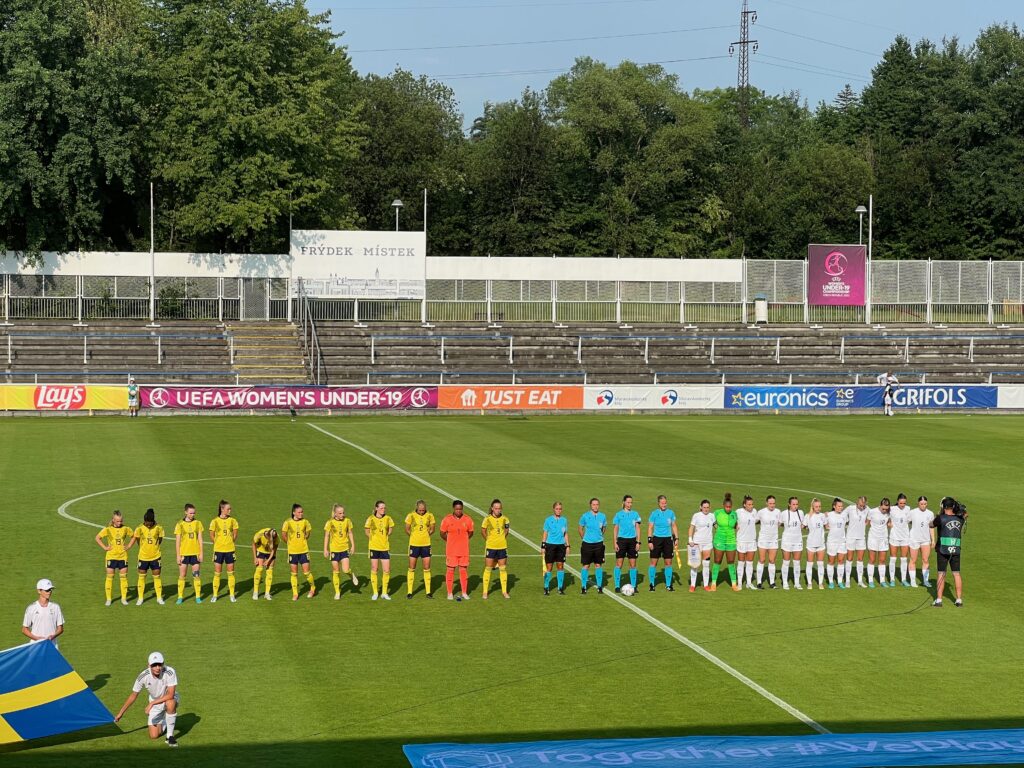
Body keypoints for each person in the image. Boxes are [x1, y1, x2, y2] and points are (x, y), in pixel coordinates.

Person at [114, 651, 179, 747]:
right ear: (149, 665)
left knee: (170, 703)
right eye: (154, 665)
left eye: (159, 664)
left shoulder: (170, 672)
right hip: (155, 701)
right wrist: (121, 713)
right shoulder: (143, 676)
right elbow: (133, 695)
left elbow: (170, 694)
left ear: (163, 664)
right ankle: (166, 720)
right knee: (154, 736)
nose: (157, 668)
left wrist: (152, 704)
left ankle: (170, 736)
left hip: (168, 698)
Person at [931, 497, 966, 607]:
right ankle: (959, 599)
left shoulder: (940, 518)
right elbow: (965, 514)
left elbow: (931, 525)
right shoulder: (960, 518)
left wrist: (940, 513)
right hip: (955, 549)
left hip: (943, 549)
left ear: (944, 507)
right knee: (956, 573)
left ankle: (939, 600)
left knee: (941, 573)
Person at [96, 510, 134, 606]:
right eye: (117, 521)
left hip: (122, 557)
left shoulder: (126, 529)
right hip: (111, 556)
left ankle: (124, 599)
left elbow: (134, 536)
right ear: (113, 520)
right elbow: (97, 538)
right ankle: (109, 599)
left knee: (123, 578)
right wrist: (105, 547)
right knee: (110, 577)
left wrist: (129, 546)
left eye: (121, 521)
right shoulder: (108, 529)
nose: (119, 523)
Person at [129, 508, 165, 605]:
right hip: (143, 557)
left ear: (153, 521)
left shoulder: (159, 528)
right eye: (146, 522)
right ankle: (140, 598)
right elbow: (137, 540)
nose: (148, 525)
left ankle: (159, 598)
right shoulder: (139, 528)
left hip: (155, 556)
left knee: (157, 577)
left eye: (150, 523)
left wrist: (155, 547)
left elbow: (160, 539)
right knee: (141, 577)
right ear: (144, 521)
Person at [440, 499, 474, 601]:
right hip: (451, 550)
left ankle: (464, 592)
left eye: (460, 509)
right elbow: (442, 533)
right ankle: (450, 593)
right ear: (453, 509)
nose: (458, 511)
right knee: (450, 571)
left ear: (462, 509)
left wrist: (463, 540)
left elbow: (471, 532)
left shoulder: (468, 519)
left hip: (464, 550)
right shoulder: (447, 519)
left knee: (463, 571)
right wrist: (450, 540)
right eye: (457, 509)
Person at [282, 503, 316, 600]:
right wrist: (288, 543)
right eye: (299, 512)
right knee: (294, 573)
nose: (301, 513)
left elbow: (308, 532)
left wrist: (306, 537)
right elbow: (283, 534)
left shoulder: (305, 522)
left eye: (302, 512)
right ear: (294, 513)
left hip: (303, 551)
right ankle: (295, 593)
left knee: (306, 572)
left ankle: (313, 588)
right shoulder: (287, 522)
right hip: (292, 551)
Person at [324, 505, 358, 600]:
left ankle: (351, 575)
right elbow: (326, 536)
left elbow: (350, 533)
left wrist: (353, 546)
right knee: (336, 571)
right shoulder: (330, 522)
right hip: (334, 550)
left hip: (344, 549)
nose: (342, 514)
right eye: (340, 513)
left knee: (345, 570)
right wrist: (325, 549)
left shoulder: (347, 521)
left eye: (343, 512)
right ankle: (337, 592)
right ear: (335, 513)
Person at [209, 500, 239, 603]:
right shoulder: (215, 521)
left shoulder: (233, 521)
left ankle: (231, 595)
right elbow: (211, 535)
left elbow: (235, 534)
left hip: (230, 550)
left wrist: (230, 542)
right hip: (218, 550)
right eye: (228, 509)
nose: (230, 510)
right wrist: (218, 543)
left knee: (231, 573)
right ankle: (215, 595)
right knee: (217, 573)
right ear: (222, 509)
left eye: (230, 508)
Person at [173, 504, 204, 605]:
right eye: (190, 513)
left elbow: (200, 539)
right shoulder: (180, 524)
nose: (192, 514)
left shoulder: (198, 523)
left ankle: (198, 596)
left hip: (195, 554)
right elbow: (177, 542)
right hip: (184, 555)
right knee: (182, 576)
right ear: (185, 512)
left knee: (196, 575)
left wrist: (201, 553)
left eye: (194, 513)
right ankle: (180, 597)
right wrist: (178, 556)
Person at [364, 501, 395, 601]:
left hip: (385, 548)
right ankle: (375, 592)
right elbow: (367, 531)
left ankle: (384, 593)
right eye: (381, 508)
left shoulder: (388, 518)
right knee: (374, 569)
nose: (383, 510)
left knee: (386, 570)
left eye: (384, 508)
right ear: (376, 508)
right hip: (374, 547)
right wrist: (373, 538)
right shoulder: (371, 519)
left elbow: (391, 528)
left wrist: (386, 535)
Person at [481, 499, 511, 599]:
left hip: (502, 547)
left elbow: (507, 530)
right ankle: (485, 592)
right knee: (488, 568)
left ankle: (504, 592)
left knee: (503, 569)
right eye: (496, 508)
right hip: (491, 547)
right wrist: (488, 540)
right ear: (492, 508)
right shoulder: (487, 519)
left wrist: (502, 538)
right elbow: (483, 530)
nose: (498, 510)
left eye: (499, 508)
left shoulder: (505, 519)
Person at [404, 500, 435, 599]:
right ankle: (409, 592)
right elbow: (407, 529)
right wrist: (414, 537)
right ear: (416, 508)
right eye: (420, 510)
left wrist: (425, 536)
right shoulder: (411, 515)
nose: (421, 512)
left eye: (423, 510)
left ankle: (428, 592)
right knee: (412, 567)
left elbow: (432, 529)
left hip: (426, 545)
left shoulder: (430, 515)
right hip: (414, 545)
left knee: (427, 568)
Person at [647, 495, 678, 592]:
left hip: (668, 540)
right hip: (656, 540)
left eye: (665, 503)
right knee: (653, 562)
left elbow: (674, 526)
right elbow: (650, 527)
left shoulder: (671, 513)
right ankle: (652, 584)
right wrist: (650, 540)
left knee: (668, 562)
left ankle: (669, 585)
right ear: (658, 503)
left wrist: (676, 538)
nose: (664, 505)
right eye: (662, 503)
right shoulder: (654, 513)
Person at [611, 495, 641, 593]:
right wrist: (615, 542)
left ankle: (633, 586)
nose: (629, 504)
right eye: (628, 502)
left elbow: (638, 528)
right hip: (622, 541)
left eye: (631, 502)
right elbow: (615, 529)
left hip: (632, 541)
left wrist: (638, 541)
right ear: (623, 502)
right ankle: (617, 585)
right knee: (619, 564)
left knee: (633, 564)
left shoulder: (635, 514)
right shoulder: (618, 514)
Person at [22, 578, 64, 647]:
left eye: (50, 589)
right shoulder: (31, 608)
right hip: (35, 646)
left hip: (52, 646)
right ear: (39, 591)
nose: (49, 592)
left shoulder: (56, 607)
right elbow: (24, 629)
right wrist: (37, 639)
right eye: (47, 590)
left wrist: (53, 636)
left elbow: (60, 629)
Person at [578, 498, 607, 594]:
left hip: (599, 544)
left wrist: (600, 537)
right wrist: (584, 538)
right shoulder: (585, 516)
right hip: (587, 544)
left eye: (597, 504)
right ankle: (583, 587)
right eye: (594, 504)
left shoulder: (602, 516)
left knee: (598, 564)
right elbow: (580, 527)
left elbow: (604, 528)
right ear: (590, 505)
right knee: (586, 565)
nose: (595, 506)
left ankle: (599, 587)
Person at [711, 493, 739, 591]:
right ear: (723, 506)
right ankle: (713, 583)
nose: (728, 508)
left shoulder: (734, 514)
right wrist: (716, 528)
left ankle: (734, 584)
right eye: (726, 507)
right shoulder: (717, 512)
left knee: (731, 562)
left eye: (730, 507)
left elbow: (736, 525)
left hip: (731, 540)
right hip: (719, 540)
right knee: (717, 561)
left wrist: (737, 527)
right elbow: (711, 521)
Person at [541, 501, 570, 595]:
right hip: (550, 545)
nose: (558, 510)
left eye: (560, 509)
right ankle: (546, 587)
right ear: (554, 509)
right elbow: (545, 533)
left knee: (560, 566)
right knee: (549, 567)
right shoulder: (548, 520)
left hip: (561, 546)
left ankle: (560, 588)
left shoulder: (564, 520)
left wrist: (567, 545)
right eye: (557, 509)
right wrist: (543, 545)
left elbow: (565, 533)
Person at [687, 500, 715, 592]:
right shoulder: (696, 515)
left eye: (707, 507)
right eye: (704, 507)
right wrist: (690, 539)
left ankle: (706, 585)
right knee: (695, 565)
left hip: (708, 543)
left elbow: (716, 526)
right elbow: (691, 527)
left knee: (706, 564)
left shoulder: (712, 516)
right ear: (701, 507)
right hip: (697, 543)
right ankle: (692, 585)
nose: (706, 509)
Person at [908, 495, 935, 588]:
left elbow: (931, 527)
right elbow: (908, 522)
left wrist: (933, 540)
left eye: (925, 504)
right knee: (913, 560)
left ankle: (925, 581)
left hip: (925, 540)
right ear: (918, 503)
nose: (923, 505)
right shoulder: (912, 512)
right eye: (921, 504)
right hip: (914, 539)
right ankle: (912, 581)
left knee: (925, 560)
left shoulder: (930, 514)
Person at [755, 495, 781, 589]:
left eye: (773, 503)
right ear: (766, 503)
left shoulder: (778, 512)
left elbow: (780, 523)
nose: (772, 505)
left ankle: (772, 583)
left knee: (772, 560)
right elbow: (754, 520)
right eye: (770, 503)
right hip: (763, 539)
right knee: (762, 560)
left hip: (773, 539)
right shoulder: (761, 512)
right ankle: (758, 582)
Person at [780, 496, 805, 591]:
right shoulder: (784, 513)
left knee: (797, 563)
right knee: (786, 562)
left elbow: (803, 525)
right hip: (786, 541)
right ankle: (785, 583)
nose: (795, 506)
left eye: (797, 504)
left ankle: (797, 583)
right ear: (789, 504)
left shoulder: (801, 513)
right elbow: (779, 523)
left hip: (798, 541)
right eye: (793, 504)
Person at [844, 496, 869, 588]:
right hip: (850, 537)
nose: (862, 507)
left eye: (864, 506)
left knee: (860, 560)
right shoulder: (850, 509)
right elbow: (841, 516)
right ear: (856, 503)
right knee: (849, 559)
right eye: (860, 505)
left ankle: (860, 581)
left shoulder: (867, 509)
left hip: (861, 538)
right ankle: (847, 581)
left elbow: (870, 518)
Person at [866, 498, 891, 587]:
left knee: (882, 560)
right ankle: (870, 580)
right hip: (873, 538)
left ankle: (882, 580)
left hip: (883, 538)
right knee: (872, 560)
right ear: (880, 505)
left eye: (886, 509)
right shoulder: (872, 512)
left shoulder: (889, 513)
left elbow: (889, 522)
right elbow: (867, 523)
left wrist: (889, 524)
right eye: (883, 508)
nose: (884, 510)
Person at [889, 493, 913, 586]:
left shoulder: (908, 509)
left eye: (904, 503)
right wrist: (889, 522)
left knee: (903, 559)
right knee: (893, 558)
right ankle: (892, 579)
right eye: (901, 503)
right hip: (894, 536)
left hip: (905, 537)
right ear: (897, 502)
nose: (902, 505)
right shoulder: (892, 509)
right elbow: (886, 517)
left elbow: (910, 520)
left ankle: (903, 579)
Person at [803, 498, 827, 590]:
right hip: (811, 543)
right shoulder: (808, 516)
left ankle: (820, 583)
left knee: (820, 564)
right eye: (816, 506)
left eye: (820, 506)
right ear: (812, 507)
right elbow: (803, 526)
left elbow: (826, 526)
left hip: (821, 543)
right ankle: (809, 583)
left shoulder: (822, 516)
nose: (818, 508)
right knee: (810, 564)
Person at [736, 495, 758, 589]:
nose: (751, 506)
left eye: (752, 504)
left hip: (752, 541)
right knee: (741, 562)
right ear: (744, 505)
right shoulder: (738, 512)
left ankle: (749, 583)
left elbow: (757, 521)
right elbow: (733, 521)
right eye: (749, 504)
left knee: (750, 562)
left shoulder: (755, 512)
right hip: (741, 540)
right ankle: (740, 583)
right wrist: (735, 526)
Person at [825, 498, 848, 589]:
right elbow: (823, 523)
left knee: (841, 561)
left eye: (841, 506)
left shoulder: (844, 515)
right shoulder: (828, 515)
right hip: (832, 541)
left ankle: (839, 581)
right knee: (831, 561)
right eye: (838, 506)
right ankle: (831, 581)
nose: (840, 508)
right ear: (834, 506)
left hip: (842, 541)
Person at [252, 526, 279, 600]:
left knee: (269, 571)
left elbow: (274, 550)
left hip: (270, 553)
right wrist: (255, 558)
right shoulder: (259, 534)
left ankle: (267, 593)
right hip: (260, 551)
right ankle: (255, 592)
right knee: (259, 570)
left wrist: (268, 560)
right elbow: (253, 545)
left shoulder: (276, 538)